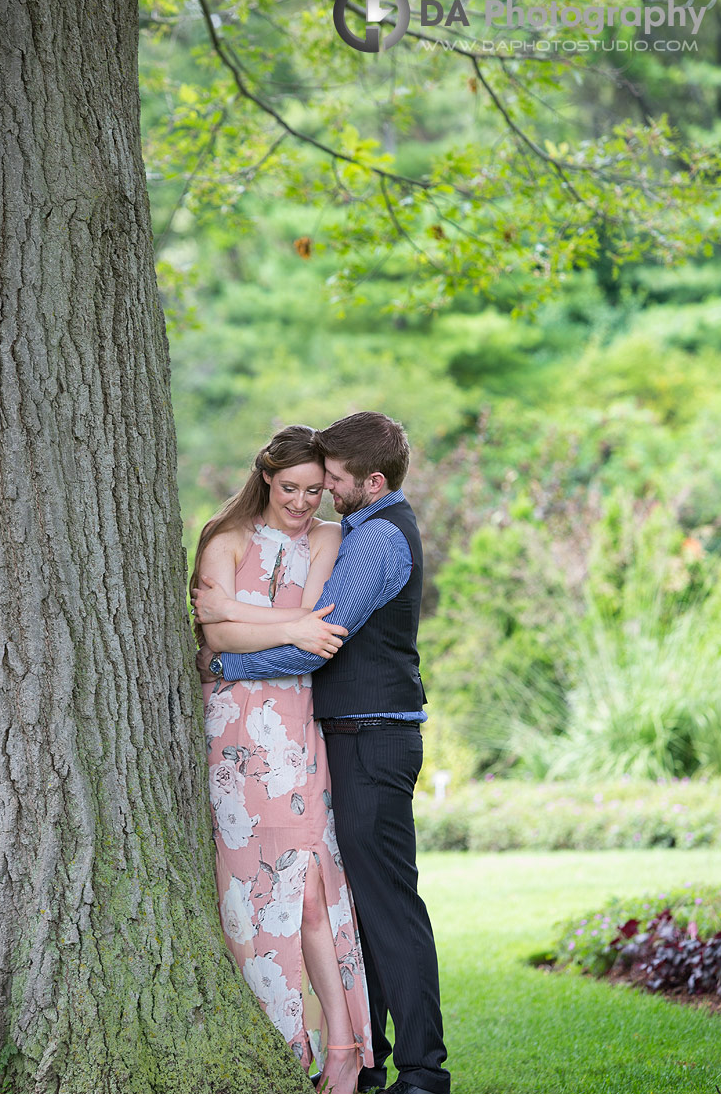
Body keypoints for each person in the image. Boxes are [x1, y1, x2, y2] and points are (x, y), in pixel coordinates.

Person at [195, 412, 450, 1096]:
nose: (323, 492)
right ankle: (370, 1058)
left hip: (369, 738)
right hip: (341, 737)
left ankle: (423, 1072)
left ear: (371, 480)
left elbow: (324, 634)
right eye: (310, 479)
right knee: (357, 906)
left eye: (332, 481)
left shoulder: (371, 541)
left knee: (388, 906)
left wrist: (223, 664)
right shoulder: (358, 529)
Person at [190, 425, 374, 1095]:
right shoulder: (225, 538)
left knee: (310, 889)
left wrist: (256, 614)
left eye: (314, 490)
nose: (301, 502)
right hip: (232, 737)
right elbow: (215, 633)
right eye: (289, 488)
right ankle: (281, 1045)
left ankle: (345, 1046)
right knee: (251, 893)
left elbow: (312, 623)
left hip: (295, 730)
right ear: (266, 477)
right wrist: (286, 625)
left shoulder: (328, 538)